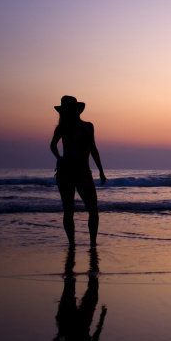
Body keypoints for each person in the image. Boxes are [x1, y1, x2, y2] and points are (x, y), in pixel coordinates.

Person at [50, 95, 107, 246]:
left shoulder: (88, 126)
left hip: (83, 172)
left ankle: (93, 244)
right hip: (66, 173)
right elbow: (52, 145)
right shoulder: (62, 128)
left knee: (93, 210)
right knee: (68, 211)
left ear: (76, 110)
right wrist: (59, 158)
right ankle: (72, 245)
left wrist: (101, 171)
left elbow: (94, 149)